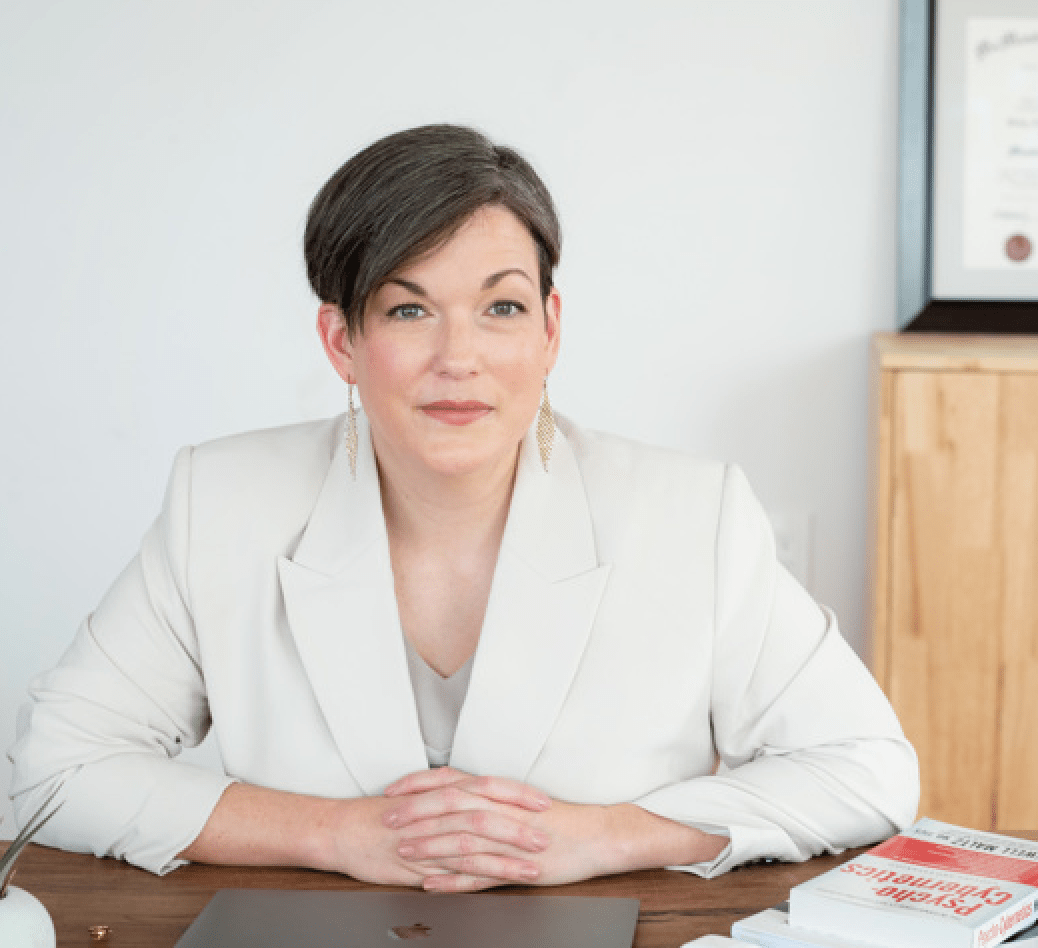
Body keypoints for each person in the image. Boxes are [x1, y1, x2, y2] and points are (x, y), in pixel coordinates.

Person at [8, 124, 918, 892]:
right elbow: (54, 771)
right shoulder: (225, 503)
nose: (460, 357)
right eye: (409, 312)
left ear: (551, 329)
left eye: (502, 308)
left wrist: (602, 835)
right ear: (342, 340)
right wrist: (335, 834)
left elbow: (869, 770)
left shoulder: (691, 515)